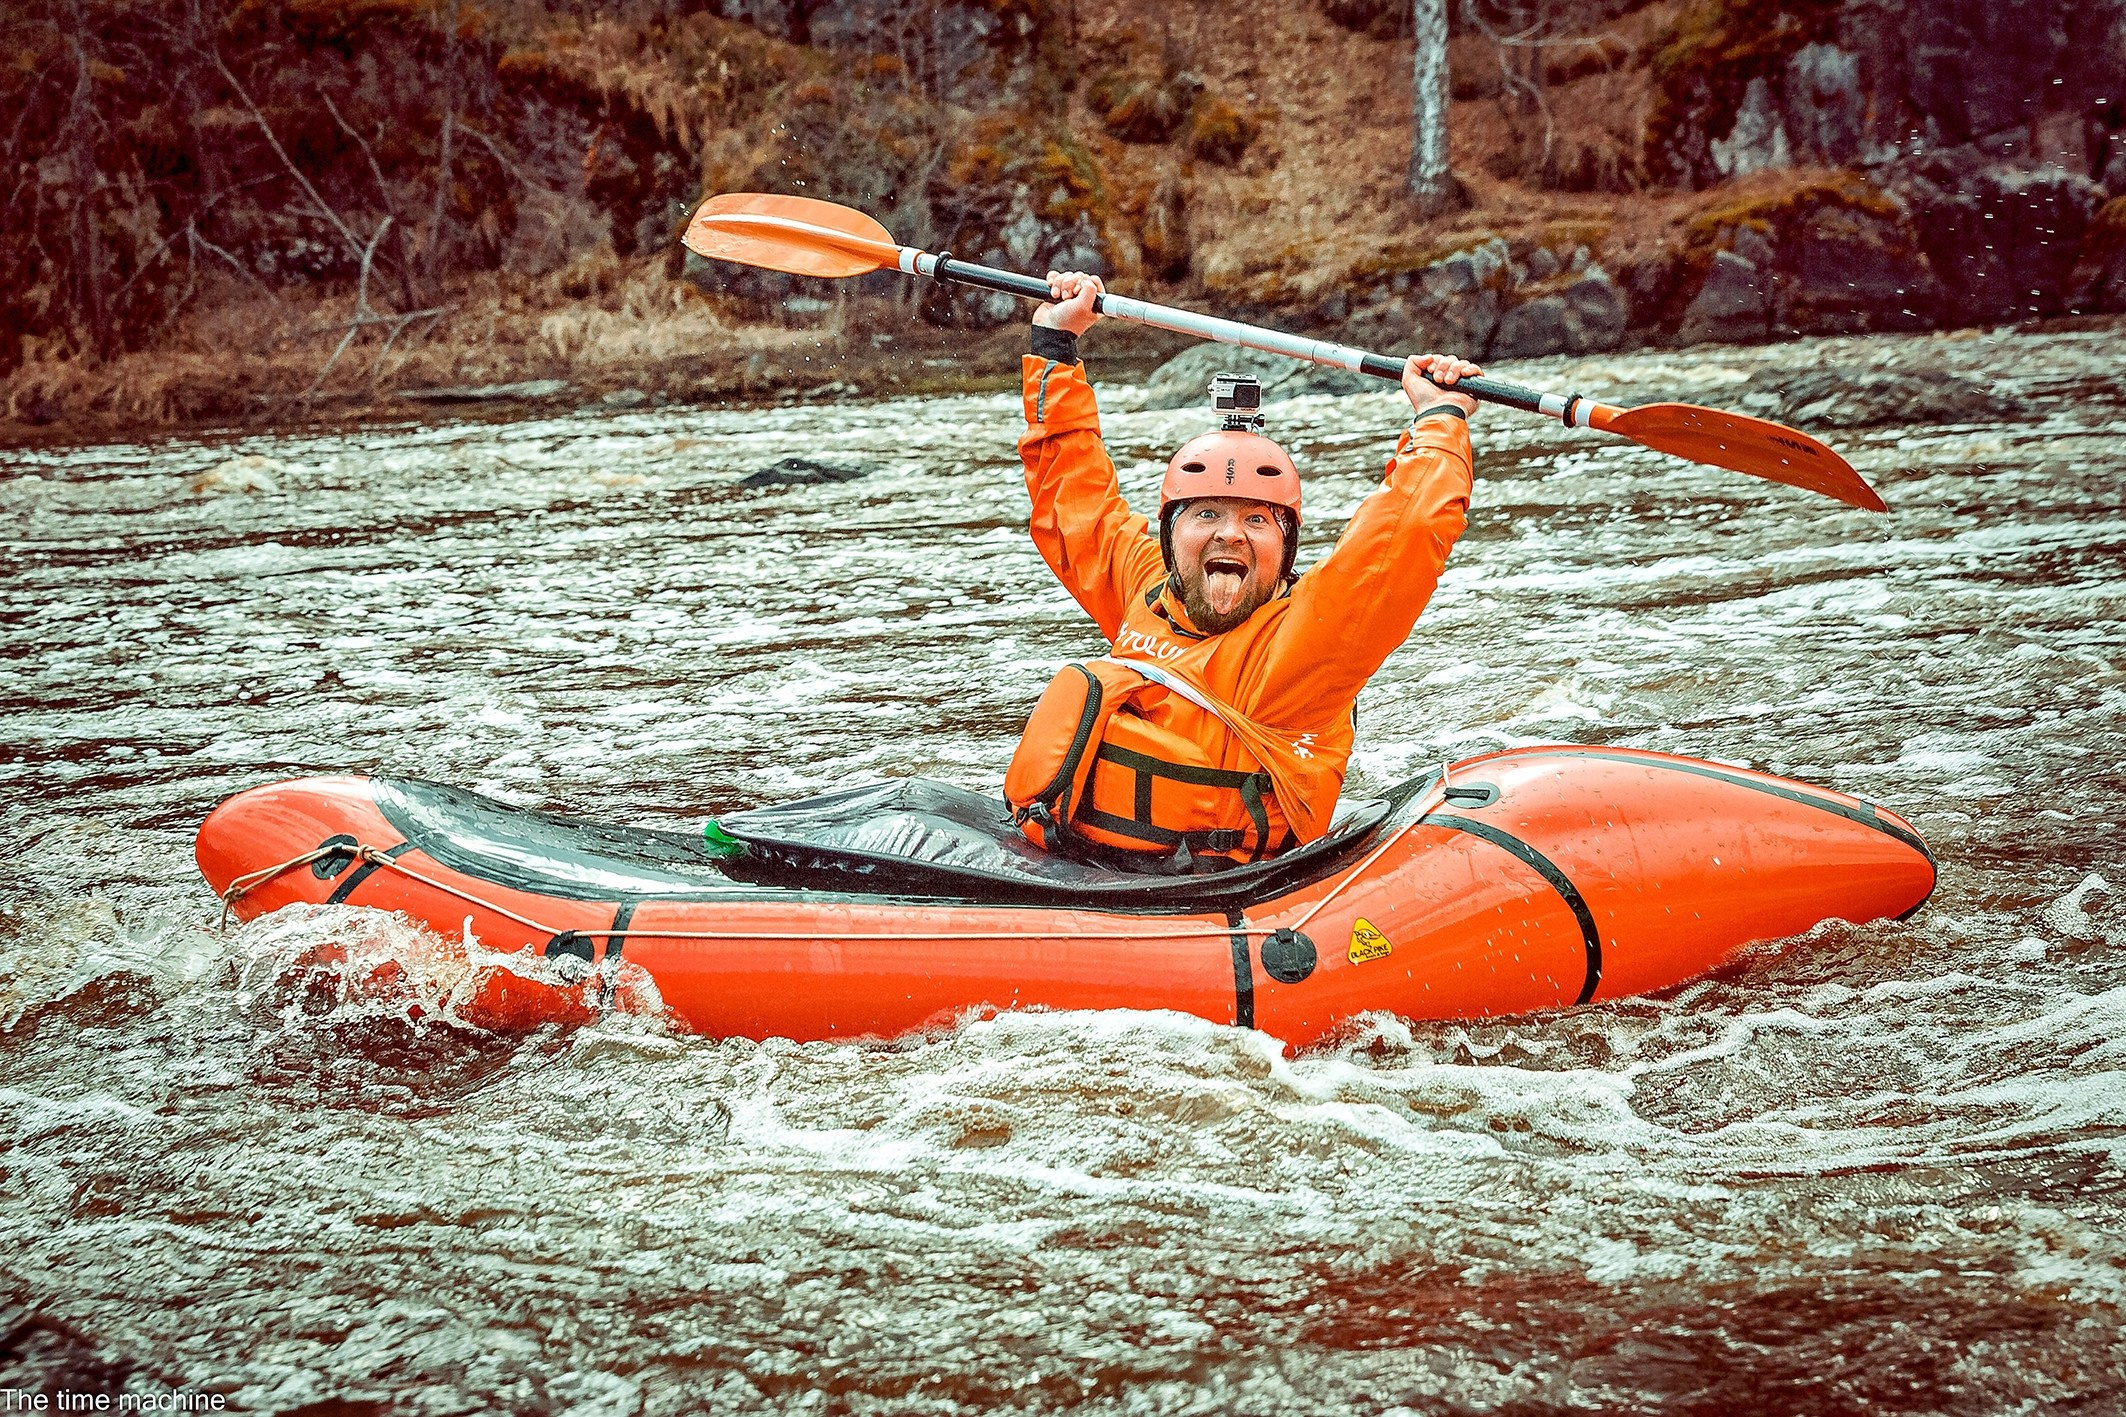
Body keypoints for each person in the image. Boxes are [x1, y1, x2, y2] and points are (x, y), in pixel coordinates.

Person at [1002, 269, 1482, 871]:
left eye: (1257, 522)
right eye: (1205, 514)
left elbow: (1403, 538)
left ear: (1286, 551)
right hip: (1082, 875)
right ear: (1171, 534)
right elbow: (1071, 496)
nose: (1229, 533)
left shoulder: (1307, 646)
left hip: (1214, 896)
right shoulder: (1144, 591)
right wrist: (1054, 347)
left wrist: (1438, 423)